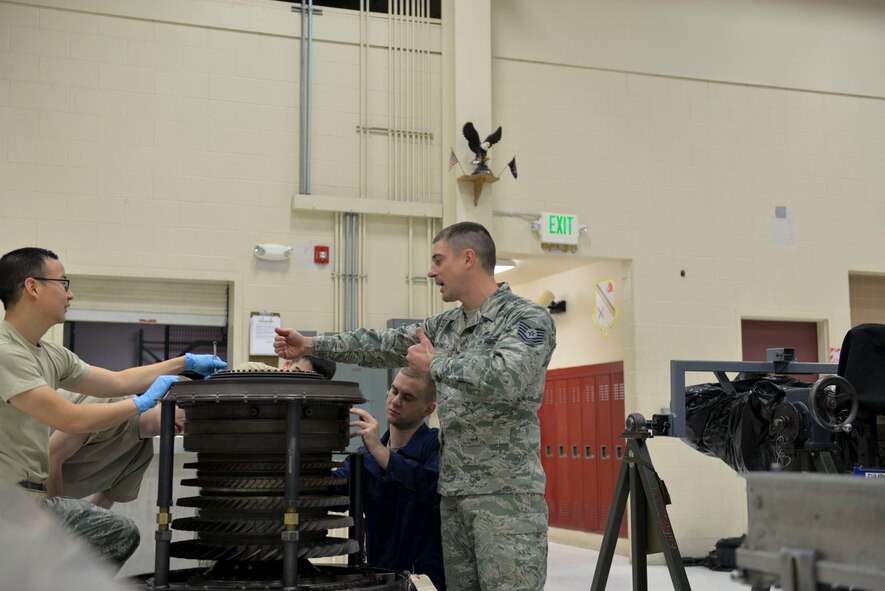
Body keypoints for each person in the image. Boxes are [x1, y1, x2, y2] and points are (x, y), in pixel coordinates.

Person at [274, 221, 556, 591]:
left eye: (439, 260)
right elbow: (380, 343)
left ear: (468, 258)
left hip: (505, 497)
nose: (430, 271)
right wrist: (311, 346)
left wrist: (434, 365)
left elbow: (507, 376)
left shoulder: (526, 318)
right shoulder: (445, 326)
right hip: (453, 495)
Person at [0, 247, 227, 569]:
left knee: (113, 535)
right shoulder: (6, 352)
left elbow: (116, 381)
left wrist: (184, 363)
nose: (71, 293)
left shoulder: (50, 354)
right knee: (111, 536)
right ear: (32, 286)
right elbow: (68, 417)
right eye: (63, 283)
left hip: (29, 499)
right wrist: (142, 402)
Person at [48, 356, 335, 508]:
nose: (187, 425)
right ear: (165, 394)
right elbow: (52, 456)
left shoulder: (139, 455)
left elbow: (104, 503)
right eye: (190, 411)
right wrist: (62, 522)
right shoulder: (107, 405)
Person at [337, 367, 444, 590]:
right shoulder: (367, 457)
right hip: (380, 578)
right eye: (394, 391)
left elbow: (430, 486)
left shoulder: (438, 447)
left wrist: (380, 451)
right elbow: (333, 491)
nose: (396, 402)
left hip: (426, 580)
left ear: (429, 408)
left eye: (408, 398)